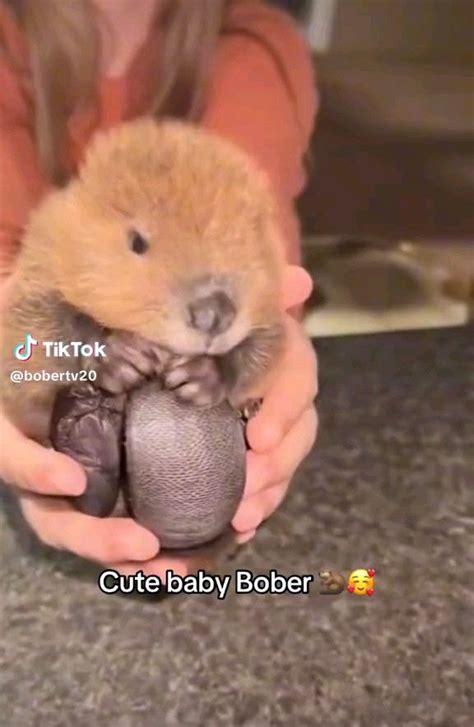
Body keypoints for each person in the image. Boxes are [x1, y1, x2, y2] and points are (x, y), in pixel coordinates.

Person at [0, 0, 318, 577]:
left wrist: (242, 370)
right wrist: (82, 354)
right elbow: (20, 354)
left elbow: (268, 295)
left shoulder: (253, 48)